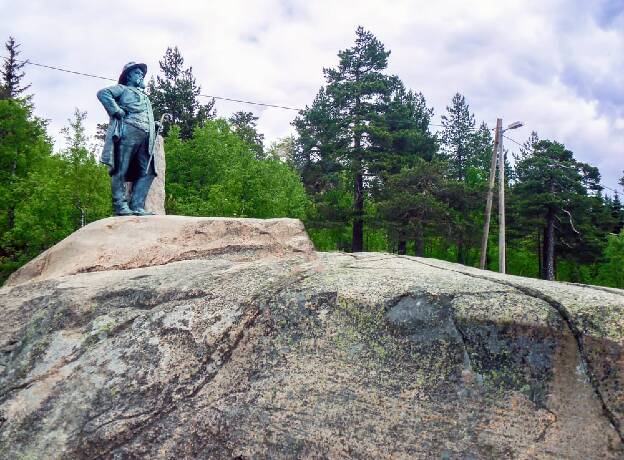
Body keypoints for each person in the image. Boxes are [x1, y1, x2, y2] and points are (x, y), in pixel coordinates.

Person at [97, 62, 159, 216]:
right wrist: (116, 110)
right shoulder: (122, 89)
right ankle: (120, 206)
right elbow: (103, 93)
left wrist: (154, 124)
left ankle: (137, 205)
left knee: (149, 171)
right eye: (137, 73)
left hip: (146, 136)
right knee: (120, 169)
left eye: (142, 74)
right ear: (128, 75)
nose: (141, 76)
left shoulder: (145, 97)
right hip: (128, 132)